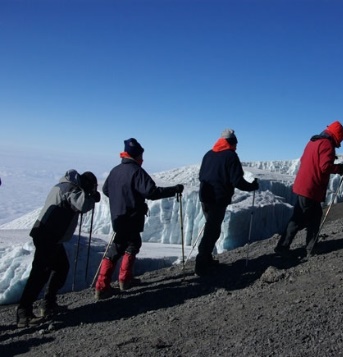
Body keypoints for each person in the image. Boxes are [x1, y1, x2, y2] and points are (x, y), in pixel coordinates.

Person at [95, 138, 184, 299]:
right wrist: (175, 189)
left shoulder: (115, 170)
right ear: (136, 155)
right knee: (124, 246)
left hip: (118, 216)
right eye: (141, 155)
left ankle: (117, 281)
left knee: (128, 244)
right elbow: (152, 192)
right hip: (132, 216)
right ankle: (109, 284)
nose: (142, 159)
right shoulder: (136, 171)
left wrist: (120, 199)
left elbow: (107, 190)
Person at [16, 169, 100, 328]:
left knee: (60, 267)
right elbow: (81, 205)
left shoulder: (62, 185)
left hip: (48, 235)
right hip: (48, 236)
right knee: (40, 274)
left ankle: (48, 304)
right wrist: (90, 195)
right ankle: (24, 313)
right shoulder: (71, 189)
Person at [274, 121, 343, 258]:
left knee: (314, 216)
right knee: (299, 218)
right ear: (338, 135)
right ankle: (282, 247)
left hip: (305, 185)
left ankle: (311, 247)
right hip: (311, 187)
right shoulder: (327, 144)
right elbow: (325, 166)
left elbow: (305, 160)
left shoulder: (313, 141)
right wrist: (340, 168)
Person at [196, 129, 259, 276]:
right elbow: (237, 180)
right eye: (235, 144)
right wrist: (252, 186)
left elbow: (201, 176)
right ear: (231, 143)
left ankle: (207, 259)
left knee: (212, 228)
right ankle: (201, 264)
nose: (236, 148)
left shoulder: (208, 154)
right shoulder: (231, 156)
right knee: (212, 231)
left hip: (205, 197)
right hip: (218, 199)